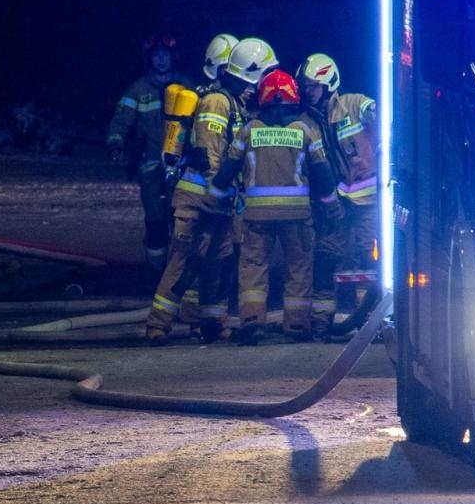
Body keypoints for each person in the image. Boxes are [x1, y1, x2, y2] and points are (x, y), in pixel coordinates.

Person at [146, 37, 277, 345]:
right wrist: (218, 192)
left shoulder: (236, 105)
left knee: (219, 263)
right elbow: (209, 152)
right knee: (184, 262)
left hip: (219, 202)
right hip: (197, 199)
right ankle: (157, 325)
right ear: (250, 74)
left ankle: (212, 322)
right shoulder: (217, 102)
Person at [210, 69, 342, 344]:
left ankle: (251, 322)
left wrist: (213, 196)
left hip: (257, 217)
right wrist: (332, 208)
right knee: (299, 269)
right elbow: (324, 176)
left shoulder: (248, 131)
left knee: (253, 269)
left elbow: (226, 172)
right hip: (297, 216)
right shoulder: (305, 131)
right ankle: (296, 326)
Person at [297, 52, 381, 338]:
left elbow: (380, 113)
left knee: (369, 261)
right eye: (305, 86)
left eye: (313, 86)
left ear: (329, 82)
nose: (308, 92)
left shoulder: (353, 104)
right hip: (336, 203)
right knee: (325, 257)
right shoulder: (308, 120)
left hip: (369, 199)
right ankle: (321, 323)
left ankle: (372, 321)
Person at [106, 35, 187, 270]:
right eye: (156, 55)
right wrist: (115, 144)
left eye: (166, 55)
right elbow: (120, 121)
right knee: (155, 221)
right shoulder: (138, 89)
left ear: (173, 57)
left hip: (182, 166)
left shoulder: (187, 87)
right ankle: (155, 270)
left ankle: (181, 268)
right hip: (151, 165)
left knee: (183, 219)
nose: (161, 60)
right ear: (149, 59)